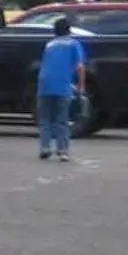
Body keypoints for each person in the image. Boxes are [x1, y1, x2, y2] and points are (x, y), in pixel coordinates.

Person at [36, 17, 88, 162]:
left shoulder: (49, 45)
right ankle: (63, 150)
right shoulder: (73, 44)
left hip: (44, 85)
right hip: (63, 86)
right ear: (69, 30)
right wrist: (80, 86)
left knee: (45, 118)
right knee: (62, 120)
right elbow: (79, 66)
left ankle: (45, 147)